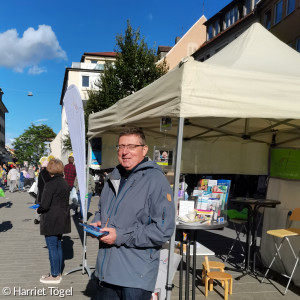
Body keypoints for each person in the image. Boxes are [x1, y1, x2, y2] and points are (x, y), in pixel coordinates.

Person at [90, 127, 175, 300]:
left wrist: (121, 235)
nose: (125, 152)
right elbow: (101, 210)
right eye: (121, 146)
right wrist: (96, 221)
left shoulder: (155, 179)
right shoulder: (112, 177)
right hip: (106, 272)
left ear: (144, 149)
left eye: (131, 146)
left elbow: (163, 230)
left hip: (135, 277)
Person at [37, 159, 71, 284]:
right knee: (58, 245)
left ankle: (55, 275)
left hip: (51, 218)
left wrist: (38, 209)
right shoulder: (64, 182)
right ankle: (57, 271)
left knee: (52, 247)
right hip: (62, 217)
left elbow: (45, 205)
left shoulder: (50, 184)